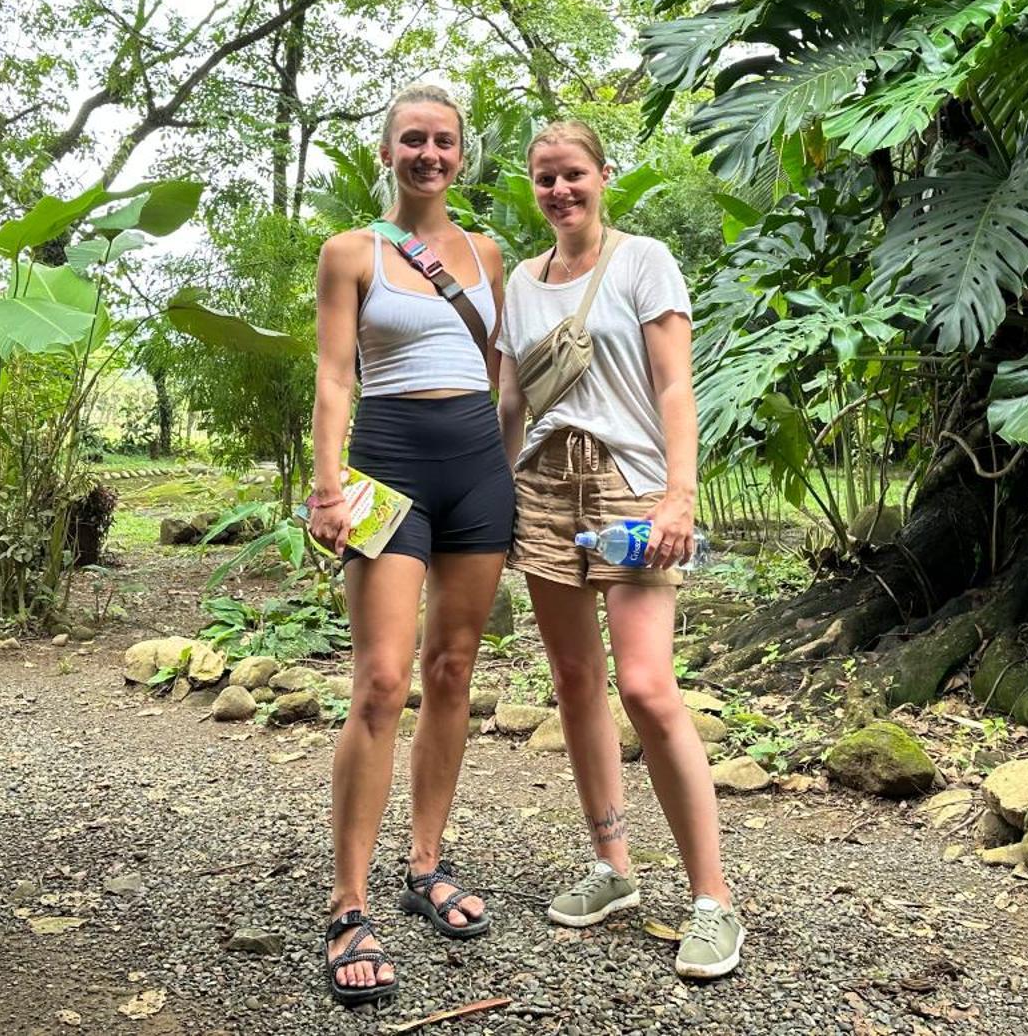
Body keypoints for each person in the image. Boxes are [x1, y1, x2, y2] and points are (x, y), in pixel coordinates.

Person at [496, 120, 743, 981]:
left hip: (629, 489)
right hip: (543, 490)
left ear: (603, 175)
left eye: (573, 175)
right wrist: (498, 503)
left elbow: (676, 383)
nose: (560, 190)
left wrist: (682, 495)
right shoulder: (520, 285)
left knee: (645, 683)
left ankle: (712, 897)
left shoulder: (644, 260)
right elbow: (511, 404)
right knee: (573, 683)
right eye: (544, 179)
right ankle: (615, 867)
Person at [308, 84, 514, 1007]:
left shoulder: (491, 255)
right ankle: (348, 903)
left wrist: (507, 470)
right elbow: (334, 374)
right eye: (412, 141)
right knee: (383, 680)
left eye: (443, 142)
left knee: (456, 667)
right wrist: (326, 485)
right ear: (386, 152)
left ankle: (425, 862)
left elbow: (503, 372)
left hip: (476, 470)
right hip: (387, 470)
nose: (429, 154)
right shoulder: (352, 251)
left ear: (460, 157)